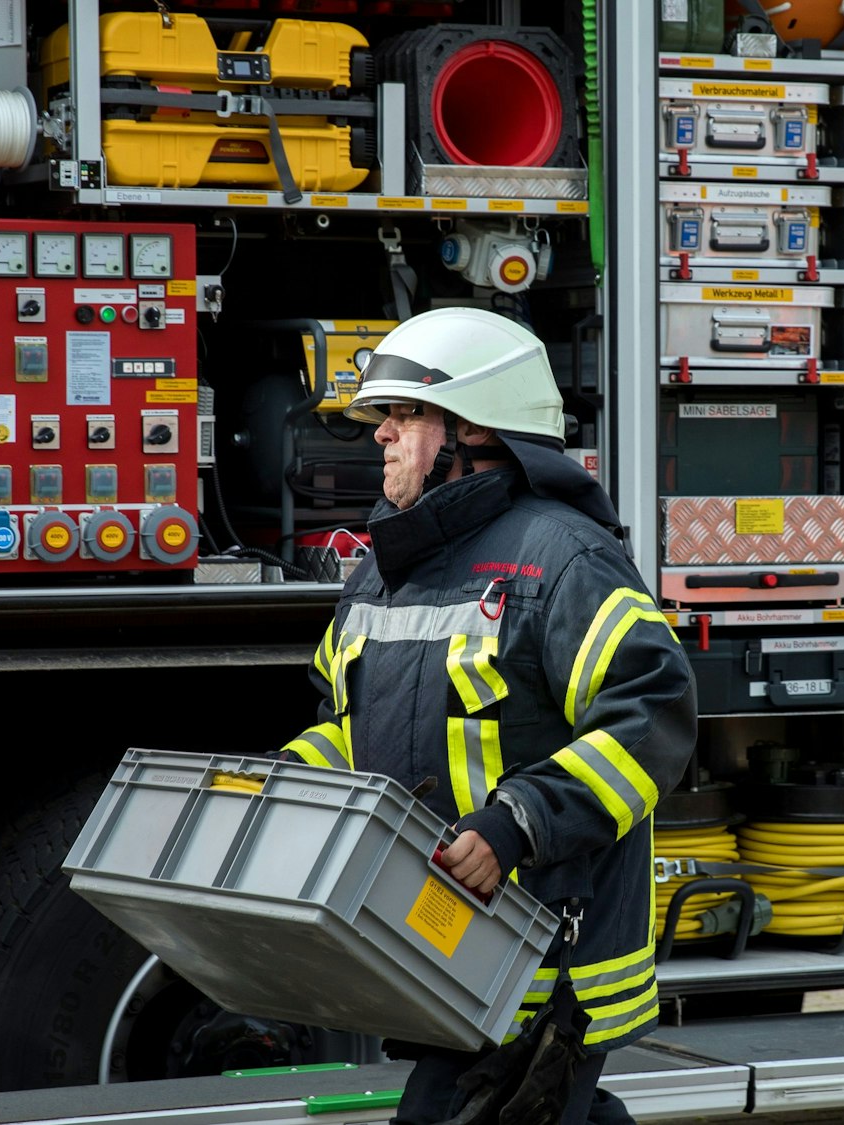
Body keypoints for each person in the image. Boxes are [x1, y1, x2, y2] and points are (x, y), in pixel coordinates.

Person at [277, 309, 697, 1124]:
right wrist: (288, 782)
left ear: (470, 429)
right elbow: (350, 728)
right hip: (443, 953)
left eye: (402, 415)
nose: (381, 437)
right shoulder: (381, 574)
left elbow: (652, 715)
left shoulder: (563, 557)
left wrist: (518, 825)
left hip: (545, 960)